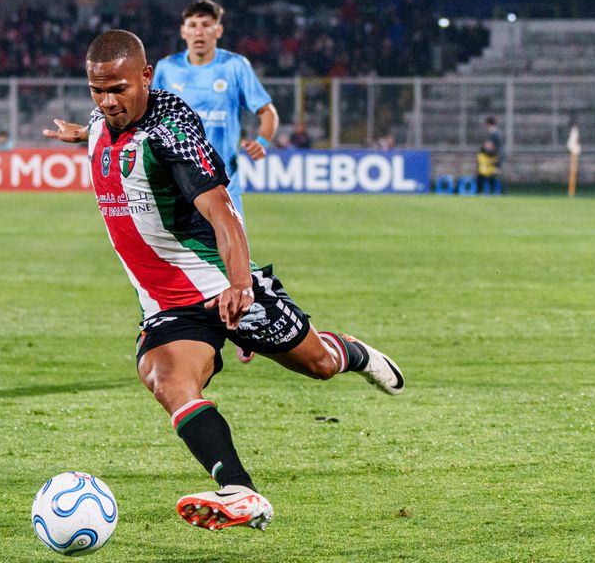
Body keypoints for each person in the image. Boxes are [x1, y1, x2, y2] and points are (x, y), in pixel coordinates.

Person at [43, 30, 404, 532]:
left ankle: (355, 353)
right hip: (167, 304)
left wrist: (239, 286)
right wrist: (80, 134)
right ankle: (241, 490)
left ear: (146, 77)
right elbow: (104, 127)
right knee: (167, 379)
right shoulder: (104, 120)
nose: (107, 102)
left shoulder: (169, 129)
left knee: (319, 365)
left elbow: (222, 210)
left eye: (118, 90)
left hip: (221, 286)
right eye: (96, 91)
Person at [151, 0, 278, 221]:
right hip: (178, 185)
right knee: (175, 256)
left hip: (224, 185)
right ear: (183, 31)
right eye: (192, 25)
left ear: (218, 30)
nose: (199, 31)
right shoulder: (167, 68)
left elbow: (268, 112)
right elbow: (150, 119)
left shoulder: (234, 66)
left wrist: (263, 142)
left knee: (231, 255)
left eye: (206, 24)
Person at [476, 115, 503, 195]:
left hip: (492, 158)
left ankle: (497, 192)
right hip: (494, 157)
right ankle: (495, 192)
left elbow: (491, 146)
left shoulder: (494, 134)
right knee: (491, 176)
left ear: (488, 124)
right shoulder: (497, 133)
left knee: (490, 175)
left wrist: (484, 149)